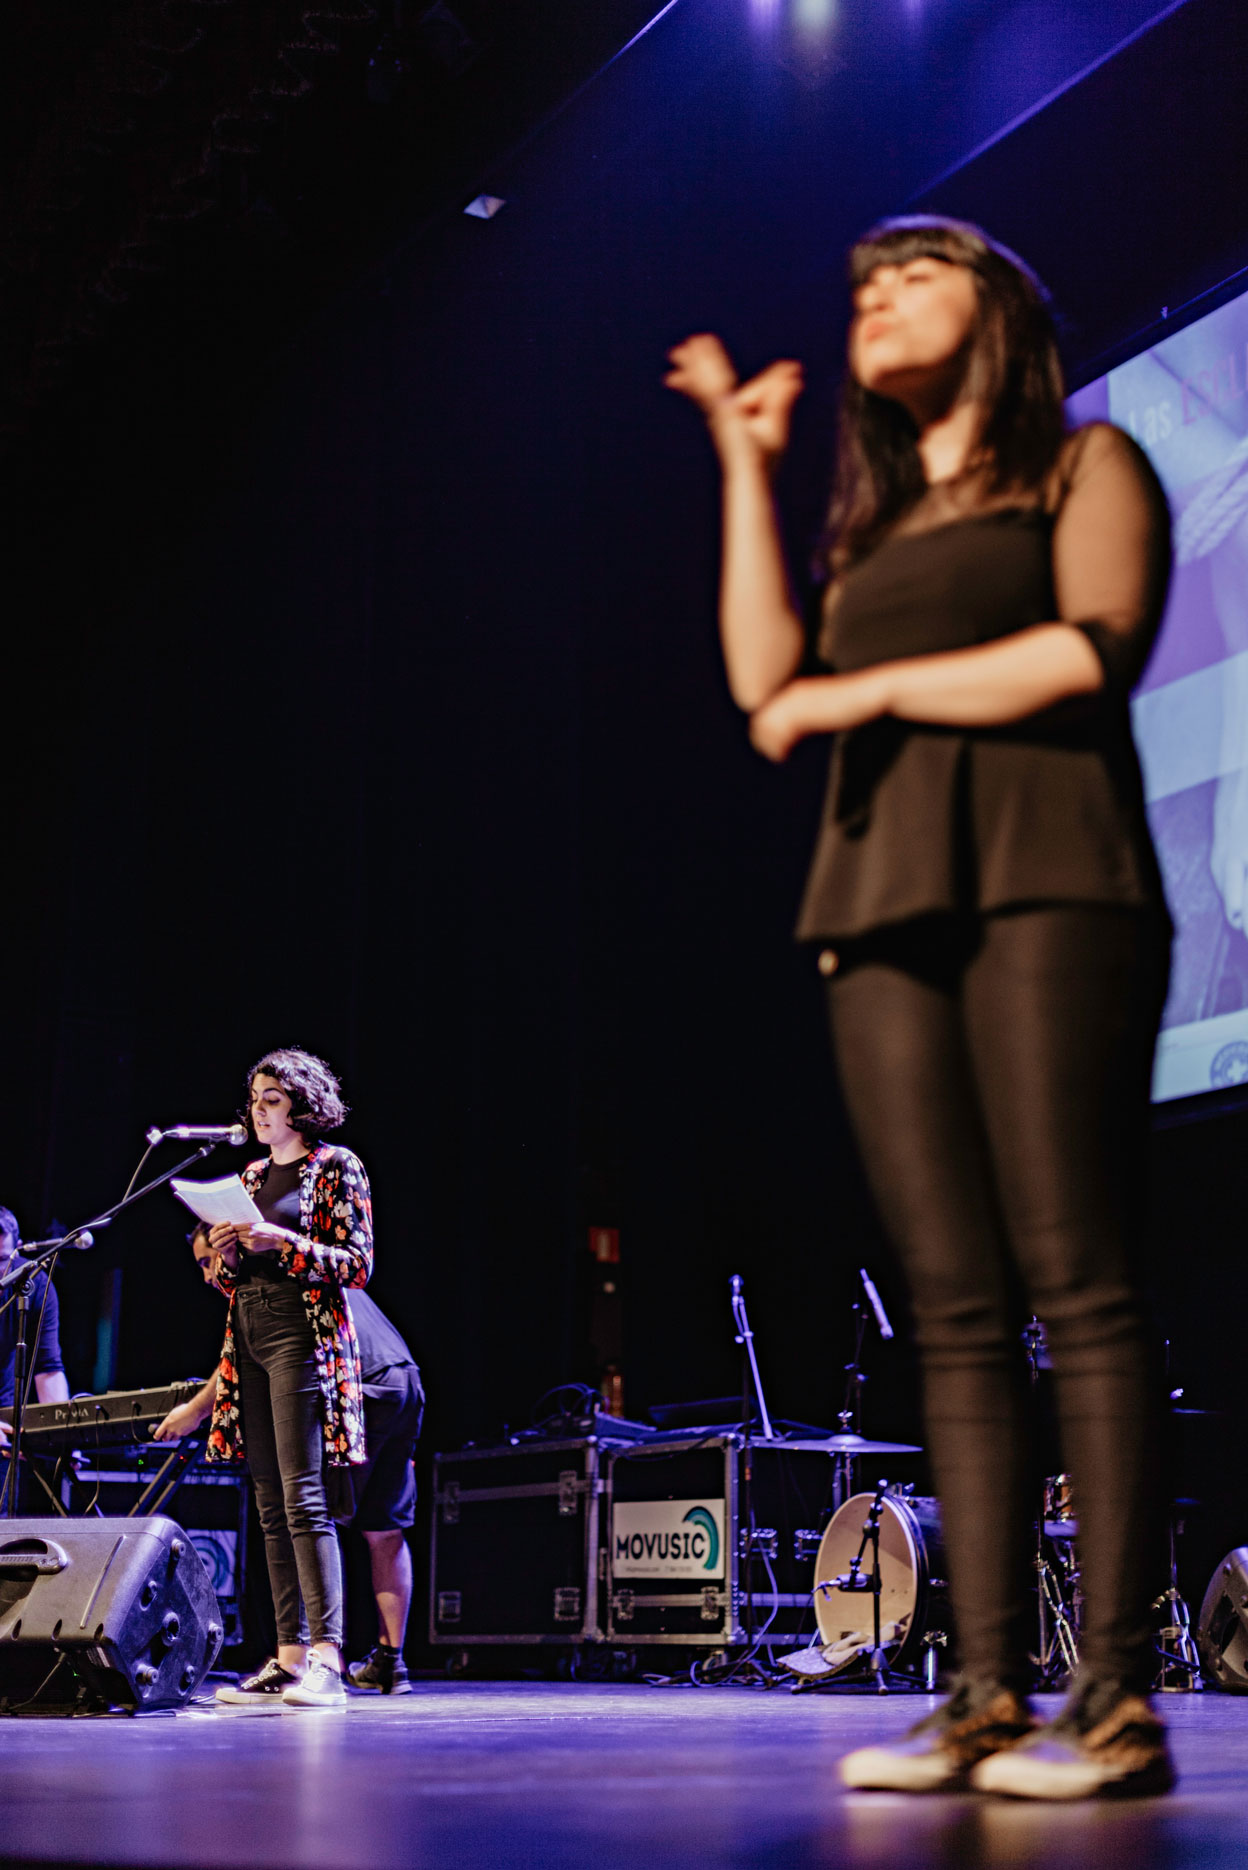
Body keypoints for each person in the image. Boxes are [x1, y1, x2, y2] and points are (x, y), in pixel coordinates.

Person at [666, 216, 1175, 1799]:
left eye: (916, 273)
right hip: (878, 904)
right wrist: (745, 462)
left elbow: (1089, 653)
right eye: (863, 283)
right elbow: (767, 685)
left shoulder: (1088, 469)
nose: (877, 296)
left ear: (1001, 308)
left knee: (1073, 1280)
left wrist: (863, 692)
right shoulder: (881, 530)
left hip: (1049, 877)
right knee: (949, 1304)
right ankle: (978, 1700)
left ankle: (1113, 1704)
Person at [157, 1223, 425, 1693]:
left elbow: (249, 1356)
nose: (208, 1276)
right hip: (402, 1380)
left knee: (306, 1514)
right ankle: (390, 1660)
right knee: (384, 1528)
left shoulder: (273, 1274)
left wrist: (195, 1412)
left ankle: (316, 1659)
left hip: (360, 1385)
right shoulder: (309, 1262)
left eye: (208, 1261)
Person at [203, 1047, 373, 1710]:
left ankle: (328, 1659)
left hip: (303, 1334)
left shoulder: (335, 1166)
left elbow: (357, 1264)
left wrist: (288, 1245)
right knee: (269, 1504)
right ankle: (287, 1656)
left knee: (304, 1499)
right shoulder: (247, 1176)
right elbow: (230, 1281)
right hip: (248, 1328)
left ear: (302, 1106)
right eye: (255, 1100)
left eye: (272, 1100)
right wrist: (223, 1257)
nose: (260, 1111)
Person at [0, 1205, 71, 1511]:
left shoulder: (35, 1283)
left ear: (17, 1250)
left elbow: (47, 1368)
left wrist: (63, 1433)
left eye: (1, 1261)